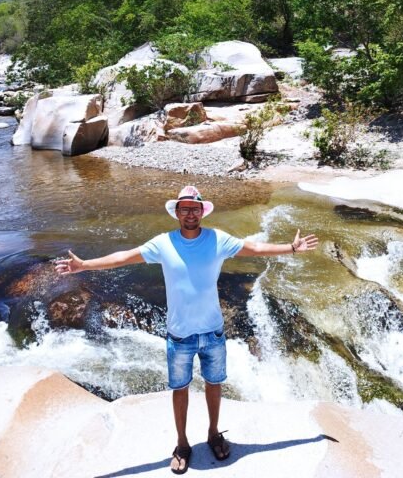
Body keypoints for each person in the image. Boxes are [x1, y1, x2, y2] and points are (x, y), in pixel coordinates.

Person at [55, 185, 318, 475]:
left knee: (213, 384)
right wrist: (84, 266)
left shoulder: (218, 239)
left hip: (213, 332)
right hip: (179, 334)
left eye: (195, 208)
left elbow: (253, 248)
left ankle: (214, 433)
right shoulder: (163, 243)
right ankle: (182, 444)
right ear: (177, 213)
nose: (190, 213)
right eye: (185, 208)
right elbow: (125, 257)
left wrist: (291, 249)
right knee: (179, 390)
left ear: (202, 212)